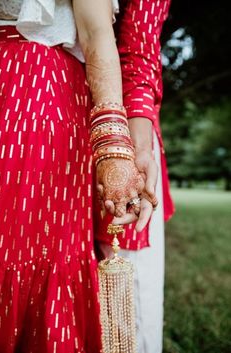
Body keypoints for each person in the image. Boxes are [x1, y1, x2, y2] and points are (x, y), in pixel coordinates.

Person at [0, 1, 170, 353]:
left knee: (117, 291)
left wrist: (123, 146)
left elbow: (134, 47)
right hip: (26, 96)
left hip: (48, 102)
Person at [95, 1, 175, 352]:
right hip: (45, 118)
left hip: (124, 128)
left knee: (126, 296)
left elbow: (140, 46)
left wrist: (134, 144)